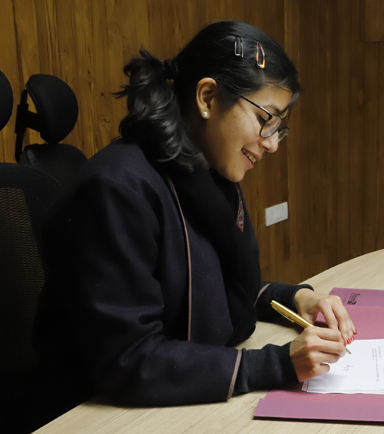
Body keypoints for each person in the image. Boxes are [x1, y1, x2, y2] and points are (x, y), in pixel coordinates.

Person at [33, 21, 355, 413]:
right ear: (206, 97)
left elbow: (206, 288)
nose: (272, 144)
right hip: (94, 413)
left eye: (279, 127)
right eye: (265, 119)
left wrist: (295, 297)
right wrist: (275, 364)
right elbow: (131, 361)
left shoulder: (205, 175)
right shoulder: (117, 188)